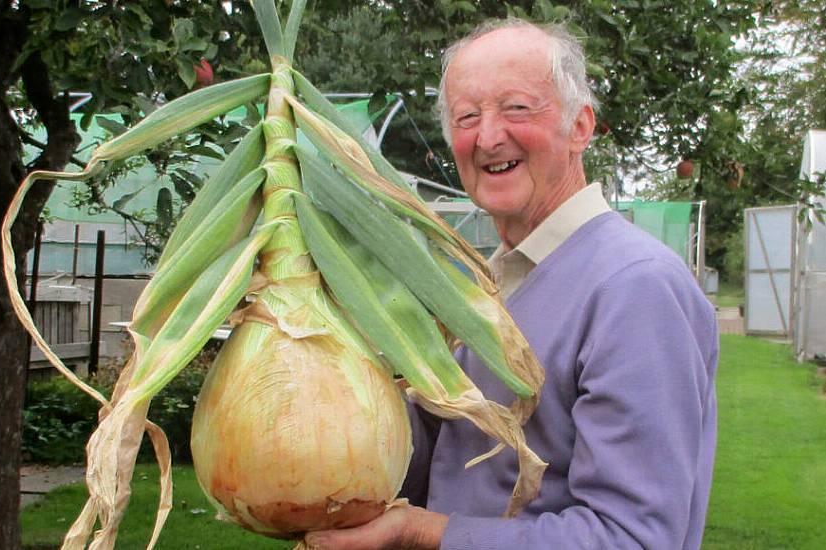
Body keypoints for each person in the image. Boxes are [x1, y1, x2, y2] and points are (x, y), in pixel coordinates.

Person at [304, 17, 719, 550]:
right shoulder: (486, 283)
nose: (488, 136)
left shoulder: (634, 288)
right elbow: (453, 458)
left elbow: (631, 538)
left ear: (580, 126)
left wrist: (417, 532)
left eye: (517, 108)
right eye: (466, 116)